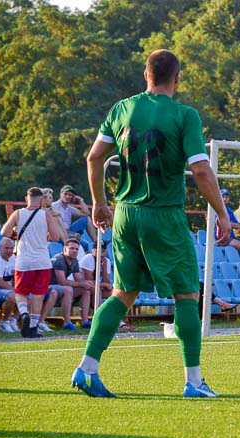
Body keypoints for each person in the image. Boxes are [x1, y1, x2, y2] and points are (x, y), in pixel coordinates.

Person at [71, 49, 231, 398]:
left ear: (146, 75)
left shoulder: (122, 108)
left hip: (125, 212)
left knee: (122, 293)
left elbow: (94, 157)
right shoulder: (185, 115)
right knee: (187, 294)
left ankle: (87, 367)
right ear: (178, 78)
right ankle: (193, 382)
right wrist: (221, 212)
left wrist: (99, 202)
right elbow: (201, 170)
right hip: (163, 213)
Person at [1, 187, 60, 338]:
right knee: (38, 295)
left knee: (20, 293)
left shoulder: (18, 213)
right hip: (42, 261)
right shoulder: (46, 215)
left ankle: (23, 312)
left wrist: (16, 232)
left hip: (24, 260)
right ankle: (33, 327)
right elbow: (55, 237)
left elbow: (4, 233)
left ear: (26, 199)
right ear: (41, 200)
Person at [49, 238, 93, 330]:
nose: (75, 251)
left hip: (61, 290)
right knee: (68, 289)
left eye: (76, 249)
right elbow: (62, 281)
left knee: (85, 290)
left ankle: (85, 321)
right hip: (49, 288)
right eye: (72, 248)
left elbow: (78, 278)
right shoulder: (59, 260)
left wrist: (86, 283)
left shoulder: (74, 261)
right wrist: (81, 284)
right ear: (65, 249)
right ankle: (67, 322)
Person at [0, 238, 19, 333]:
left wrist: (19, 289)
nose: (9, 251)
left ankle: (13, 320)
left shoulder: (13, 259)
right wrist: (15, 291)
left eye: (11, 248)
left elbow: (16, 275)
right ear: (0, 248)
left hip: (8, 288)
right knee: (12, 296)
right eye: (6, 248)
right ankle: (4, 322)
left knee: (30, 295)